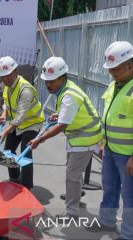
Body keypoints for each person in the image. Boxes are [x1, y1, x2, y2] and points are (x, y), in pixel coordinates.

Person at [29, 56, 102, 220]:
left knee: (71, 175)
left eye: (52, 81)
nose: (48, 85)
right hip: (78, 138)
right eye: (46, 81)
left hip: (85, 139)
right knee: (74, 174)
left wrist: (39, 139)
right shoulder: (66, 89)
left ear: (62, 78)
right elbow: (66, 115)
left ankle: (72, 212)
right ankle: (75, 194)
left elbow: (62, 125)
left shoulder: (69, 95)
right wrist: (58, 115)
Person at [86, 41, 133, 240]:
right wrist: (103, 143)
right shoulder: (114, 85)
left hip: (128, 154)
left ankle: (129, 233)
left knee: (129, 195)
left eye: (116, 68)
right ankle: (106, 221)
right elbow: (108, 117)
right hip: (111, 149)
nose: (112, 72)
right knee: (110, 187)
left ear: (130, 64)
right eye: (110, 69)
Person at [0, 56, 45, 190]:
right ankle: (15, 179)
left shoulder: (25, 89)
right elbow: (7, 102)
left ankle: (27, 186)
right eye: (2, 77)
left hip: (32, 124)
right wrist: (3, 114)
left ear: (15, 72)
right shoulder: (7, 86)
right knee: (8, 151)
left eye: (7, 76)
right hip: (17, 124)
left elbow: (21, 116)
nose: (5, 79)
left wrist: (5, 132)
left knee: (25, 153)